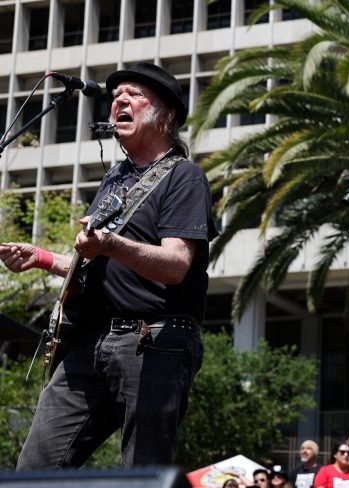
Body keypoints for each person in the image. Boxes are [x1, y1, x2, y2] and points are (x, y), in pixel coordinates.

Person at [1, 62, 216, 469]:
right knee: (35, 468)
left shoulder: (185, 178)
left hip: (154, 341)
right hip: (91, 341)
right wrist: (42, 259)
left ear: (167, 115)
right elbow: (99, 266)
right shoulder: (115, 179)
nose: (119, 100)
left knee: (142, 472)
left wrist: (111, 244)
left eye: (134, 95)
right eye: (117, 96)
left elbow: (175, 265)